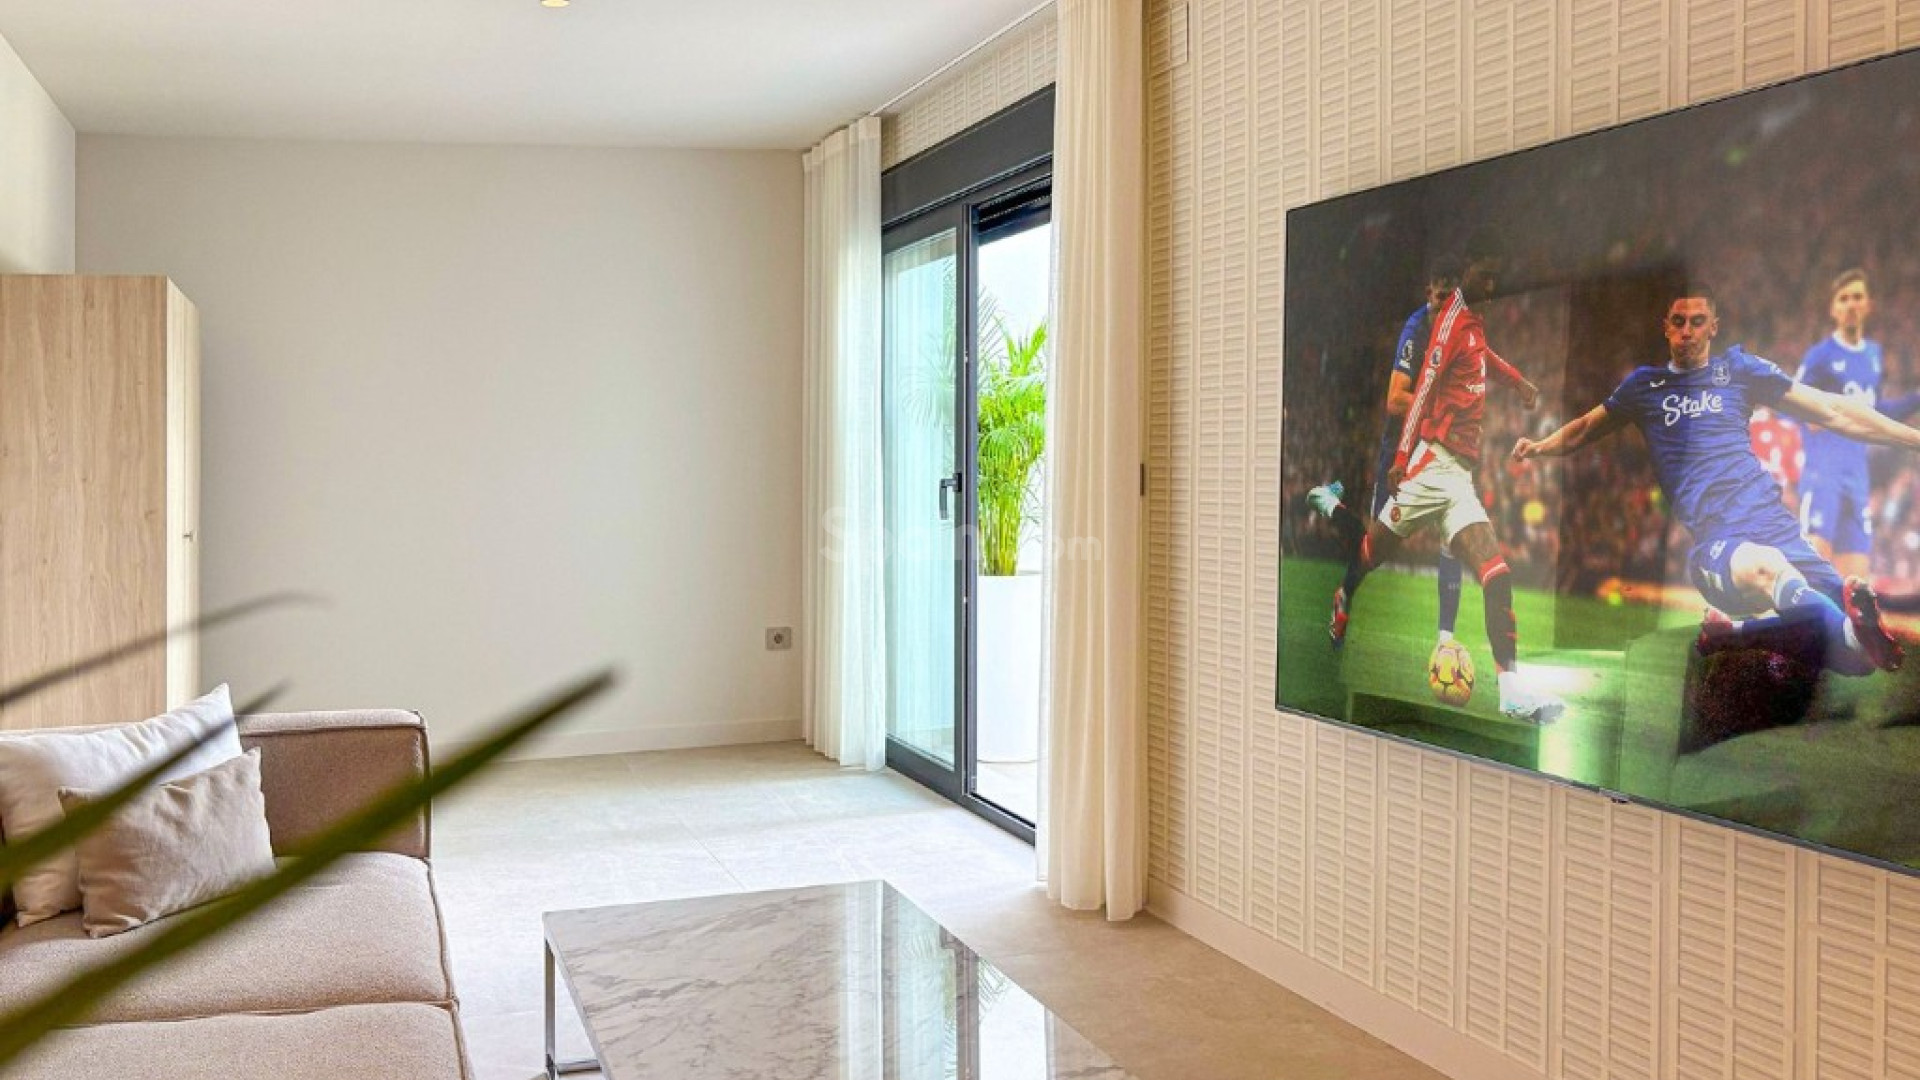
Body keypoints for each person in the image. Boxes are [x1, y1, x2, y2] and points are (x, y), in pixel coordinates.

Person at [1511, 287, 1914, 675]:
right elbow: (1585, 427)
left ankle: (1736, 635)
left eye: (1697, 321)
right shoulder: (1645, 386)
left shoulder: (1739, 371)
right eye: (1678, 321)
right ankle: (1840, 630)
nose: (1687, 330)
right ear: (1666, 327)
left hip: (1779, 528)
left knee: (1859, 661)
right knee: (1771, 569)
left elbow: (1832, 409)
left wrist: (1913, 439)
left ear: (1713, 327)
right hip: (1719, 545)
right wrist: (1541, 447)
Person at [1306, 244, 1559, 723]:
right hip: (1428, 464)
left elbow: (1483, 357)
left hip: (1458, 476)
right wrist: (1403, 456)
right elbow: (1417, 390)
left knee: (1496, 573)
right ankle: (1339, 564)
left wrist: (1518, 381)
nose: (1493, 286)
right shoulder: (1442, 325)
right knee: (1371, 550)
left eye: (1496, 277)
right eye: (1486, 276)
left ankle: (1510, 691)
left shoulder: (1473, 321)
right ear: (1464, 276)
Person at [1794, 269, 1920, 578]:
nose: (1851, 304)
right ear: (1833, 309)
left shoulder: (1873, 355)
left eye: (1857, 297)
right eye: (1843, 298)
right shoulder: (1819, 356)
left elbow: (1875, 412)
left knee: (1856, 583)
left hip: (1857, 477)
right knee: (1814, 571)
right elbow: (1789, 401)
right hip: (1824, 473)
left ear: (1868, 305)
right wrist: (1808, 417)